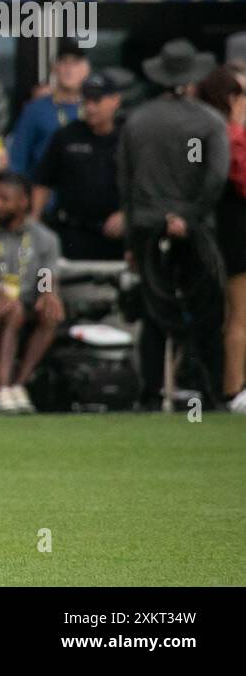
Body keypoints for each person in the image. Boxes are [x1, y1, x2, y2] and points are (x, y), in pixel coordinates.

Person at [119, 39, 228, 409]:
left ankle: (151, 394)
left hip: (149, 228)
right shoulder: (209, 122)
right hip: (195, 230)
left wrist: (132, 243)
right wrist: (190, 216)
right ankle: (207, 393)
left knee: (154, 314)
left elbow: (126, 184)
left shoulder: (137, 121)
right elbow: (215, 177)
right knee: (206, 312)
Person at [0, 174, 65, 412]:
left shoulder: (45, 238)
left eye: (5, 199)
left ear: (23, 202)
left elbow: (47, 275)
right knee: (13, 310)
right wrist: (0, 295)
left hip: (28, 299)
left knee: (51, 313)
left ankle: (19, 384)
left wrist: (48, 294)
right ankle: (2, 388)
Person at [195, 64, 246, 413]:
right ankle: (234, 390)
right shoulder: (230, 135)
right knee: (240, 315)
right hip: (236, 231)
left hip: (217, 232)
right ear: (230, 98)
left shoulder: (199, 131)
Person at [31, 71, 125, 261]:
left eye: (96, 101)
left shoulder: (128, 137)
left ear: (115, 100)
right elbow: (43, 181)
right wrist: (34, 220)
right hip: (73, 232)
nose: (90, 108)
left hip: (116, 235)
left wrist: (128, 214)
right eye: (86, 101)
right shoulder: (67, 136)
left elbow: (144, 184)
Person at [10, 38, 91, 176]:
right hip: (45, 194)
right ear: (54, 67)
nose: (69, 69)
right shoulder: (34, 110)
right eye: (64, 62)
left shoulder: (93, 110)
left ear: (86, 69)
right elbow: (17, 161)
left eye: (75, 63)